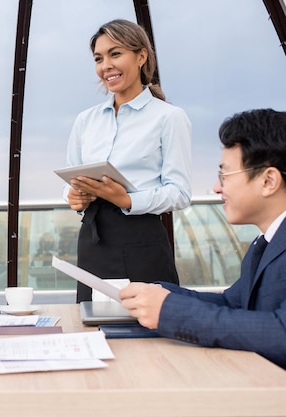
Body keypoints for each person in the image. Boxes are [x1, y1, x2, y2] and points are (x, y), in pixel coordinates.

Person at [120, 108, 286, 368]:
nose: (217, 188)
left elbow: (281, 333)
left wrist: (170, 311)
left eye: (225, 175)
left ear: (268, 181)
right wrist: (160, 293)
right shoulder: (265, 243)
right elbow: (232, 303)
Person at [63, 19, 192, 302]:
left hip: (142, 241)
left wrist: (127, 200)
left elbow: (180, 193)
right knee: (94, 325)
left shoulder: (168, 117)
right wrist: (75, 197)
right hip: (94, 240)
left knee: (148, 326)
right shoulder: (85, 121)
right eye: (98, 58)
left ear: (141, 56)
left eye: (115, 53)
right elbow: (71, 181)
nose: (105, 65)